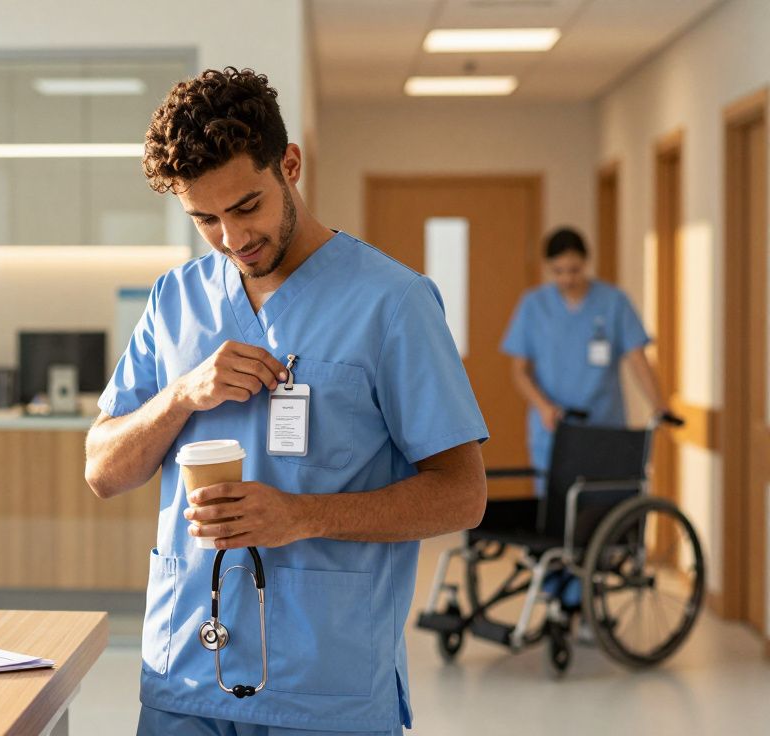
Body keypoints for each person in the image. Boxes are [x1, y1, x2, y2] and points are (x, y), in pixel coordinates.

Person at [84, 67, 489, 736]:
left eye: (246, 207)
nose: (231, 238)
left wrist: (301, 516)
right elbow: (103, 470)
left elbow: (462, 494)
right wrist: (181, 396)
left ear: (290, 165)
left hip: (325, 689)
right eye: (204, 219)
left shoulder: (393, 304)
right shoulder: (175, 301)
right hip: (186, 673)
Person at [500, 228, 668, 486]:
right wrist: (543, 406)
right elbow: (519, 370)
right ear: (548, 267)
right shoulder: (534, 305)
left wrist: (660, 405)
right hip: (553, 428)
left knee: (604, 501)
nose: (567, 278)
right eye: (559, 271)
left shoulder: (613, 302)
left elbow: (638, 359)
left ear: (586, 262)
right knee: (556, 508)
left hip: (604, 426)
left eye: (574, 269)